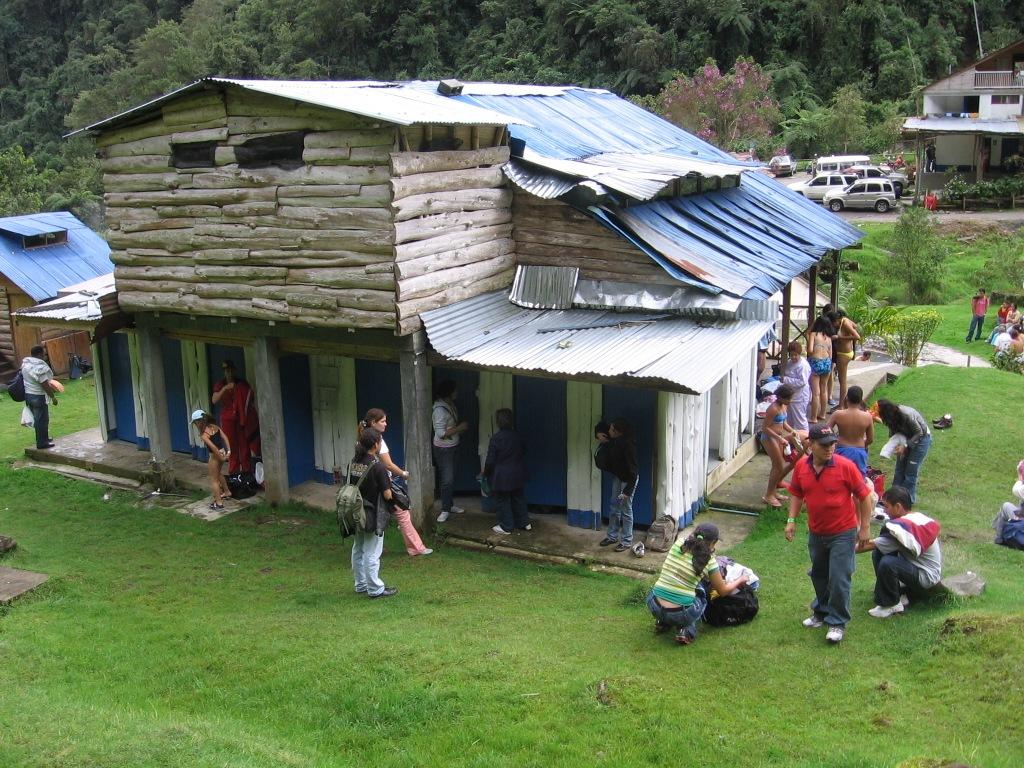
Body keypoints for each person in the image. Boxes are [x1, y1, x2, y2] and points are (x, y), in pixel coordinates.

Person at [785, 424, 873, 644]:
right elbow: (796, 494)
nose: (830, 448)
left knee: (839, 576)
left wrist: (864, 528)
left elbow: (864, 496)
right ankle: (821, 612)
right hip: (816, 532)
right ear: (811, 445)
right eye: (824, 445)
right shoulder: (802, 469)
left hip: (843, 532)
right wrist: (791, 520)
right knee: (819, 573)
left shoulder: (846, 466)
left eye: (833, 443)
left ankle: (837, 622)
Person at [646, 523, 748, 645]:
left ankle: (663, 622)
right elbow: (723, 591)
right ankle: (687, 631)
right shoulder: (709, 561)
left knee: (678, 585)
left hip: (654, 604)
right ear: (713, 543)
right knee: (701, 591)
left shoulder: (679, 543)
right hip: (680, 613)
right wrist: (741, 579)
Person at [856, 486, 942, 618]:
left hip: (926, 576)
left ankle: (891, 604)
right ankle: (898, 594)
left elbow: (869, 545)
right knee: (880, 553)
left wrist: (840, 550)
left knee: (887, 562)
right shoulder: (915, 518)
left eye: (887, 506)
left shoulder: (903, 529)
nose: (884, 510)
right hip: (916, 567)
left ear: (898, 506)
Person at [360, 408, 431, 556]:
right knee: (402, 512)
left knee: (379, 513)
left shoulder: (361, 437)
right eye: (383, 421)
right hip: (383, 482)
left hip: (369, 483)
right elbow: (388, 465)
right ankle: (416, 548)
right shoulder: (377, 440)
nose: (386, 424)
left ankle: (372, 547)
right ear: (373, 422)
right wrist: (404, 474)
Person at [349, 427, 398, 599]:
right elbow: (387, 494)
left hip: (355, 511)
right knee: (372, 551)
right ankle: (375, 588)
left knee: (358, 549)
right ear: (376, 445)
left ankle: (360, 584)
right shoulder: (377, 466)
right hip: (372, 513)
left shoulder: (354, 462)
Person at [483, 408, 531, 535]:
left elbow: (490, 460)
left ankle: (506, 526)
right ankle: (524, 523)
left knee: (502, 500)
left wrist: (485, 472)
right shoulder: (518, 436)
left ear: (498, 422)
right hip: (518, 472)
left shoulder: (496, 438)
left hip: (502, 475)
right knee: (518, 497)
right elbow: (524, 450)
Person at [876, 399, 932, 505]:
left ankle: (907, 500)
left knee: (910, 473)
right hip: (905, 438)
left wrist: (905, 446)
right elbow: (893, 431)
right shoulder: (891, 417)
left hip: (921, 439)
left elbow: (920, 432)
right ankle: (893, 499)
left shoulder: (907, 414)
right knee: (899, 470)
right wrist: (897, 446)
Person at [597, 418, 638, 552]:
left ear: (617, 432)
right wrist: (598, 433)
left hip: (628, 480)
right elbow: (601, 426)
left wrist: (627, 491)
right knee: (614, 507)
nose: (608, 431)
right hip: (618, 477)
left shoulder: (628, 446)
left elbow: (633, 472)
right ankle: (612, 536)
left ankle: (626, 541)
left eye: (611, 429)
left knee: (626, 510)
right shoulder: (614, 439)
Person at [211, 360, 257, 475]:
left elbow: (250, 397)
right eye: (226, 370)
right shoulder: (220, 384)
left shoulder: (241, 383)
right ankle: (234, 473)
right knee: (232, 447)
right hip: (227, 420)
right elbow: (214, 399)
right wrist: (225, 388)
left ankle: (247, 473)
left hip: (241, 419)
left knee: (244, 446)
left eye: (231, 370)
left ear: (234, 370)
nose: (229, 373)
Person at [432, 379, 469, 523]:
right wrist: (460, 428)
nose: (457, 392)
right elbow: (440, 433)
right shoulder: (440, 410)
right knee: (447, 480)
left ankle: (449, 505)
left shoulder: (450, 405)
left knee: (451, 478)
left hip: (453, 446)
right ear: (448, 393)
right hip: (444, 450)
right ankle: (445, 509)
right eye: (455, 390)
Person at [761, 385, 803, 508]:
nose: (790, 401)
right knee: (778, 466)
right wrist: (780, 438)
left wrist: (792, 431)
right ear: (780, 397)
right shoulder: (773, 409)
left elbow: (783, 422)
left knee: (777, 466)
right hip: (770, 438)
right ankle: (768, 495)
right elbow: (765, 428)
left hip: (778, 437)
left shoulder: (784, 406)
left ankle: (773, 492)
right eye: (788, 399)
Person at [20, 345, 64, 450]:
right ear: (40, 354)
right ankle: (42, 443)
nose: (44, 356)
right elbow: (44, 384)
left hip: (29, 395)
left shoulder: (26, 365)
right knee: (42, 420)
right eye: (43, 353)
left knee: (39, 419)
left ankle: (44, 439)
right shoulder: (39, 367)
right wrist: (53, 397)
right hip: (38, 397)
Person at [826, 386, 874, 480]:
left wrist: (834, 441)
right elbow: (870, 439)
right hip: (859, 451)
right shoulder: (867, 417)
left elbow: (825, 430)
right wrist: (863, 443)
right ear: (861, 400)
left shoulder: (838, 414)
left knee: (840, 478)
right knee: (858, 480)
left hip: (841, 450)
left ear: (847, 398)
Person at [191, 409, 231, 510]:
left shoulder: (204, 434)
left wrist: (220, 457)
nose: (195, 425)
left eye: (195, 423)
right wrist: (228, 452)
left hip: (215, 456)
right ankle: (226, 492)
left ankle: (218, 503)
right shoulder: (215, 427)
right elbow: (225, 438)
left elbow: (213, 447)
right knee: (218, 473)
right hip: (222, 451)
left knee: (213, 480)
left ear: (199, 422)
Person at [829, 310, 860, 408]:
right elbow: (855, 326)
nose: (833, 325)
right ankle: (842, 404)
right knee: (843, 380)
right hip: (846, 352)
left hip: (843, 354)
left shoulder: (845, 322)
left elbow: (857, 336)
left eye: (833, 323)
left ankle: (841, 406)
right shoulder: (845, 320)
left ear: (837, 319)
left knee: (842, 381)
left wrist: (839, 337)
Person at [807, 316, 834, 423]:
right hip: (827, 362)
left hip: (816, 362)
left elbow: (810, 350)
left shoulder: (813, 334)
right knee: (824, 390)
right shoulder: (829, 338)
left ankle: (813, 417)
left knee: (815, 392)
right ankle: (822, 414)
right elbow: (831, 355)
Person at [781, 340, 812, 433]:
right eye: (791, 355)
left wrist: (785, 380)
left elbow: (802, 382)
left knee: (800, 421)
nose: (794, 357)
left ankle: (805, 439)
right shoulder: (790, 362)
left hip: (800, 396)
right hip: (791, 395)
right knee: (790, 420)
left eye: (796, 355)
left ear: (799, 354)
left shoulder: (803, 365)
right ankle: (793, 440)